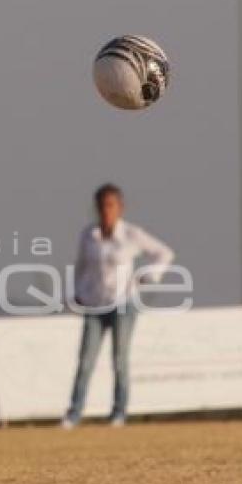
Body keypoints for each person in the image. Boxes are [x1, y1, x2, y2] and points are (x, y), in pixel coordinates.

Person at [62, 183, 174, 429]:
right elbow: (81, 267)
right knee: (85, 361)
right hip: (94, 304)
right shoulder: (88, 235)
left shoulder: (131, 234)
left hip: (123, 303)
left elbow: (164, 253)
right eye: (102, 206)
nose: (106, 211)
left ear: (120, 208)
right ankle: (74, 413)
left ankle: (119, 412)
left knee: (119, 359)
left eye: (111, 206)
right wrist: (75, 293)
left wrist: (150, 275)